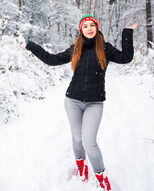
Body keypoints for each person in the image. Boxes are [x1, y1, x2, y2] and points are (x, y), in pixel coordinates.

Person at [21, 14, 138, 191]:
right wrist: (32, 46)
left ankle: (101, 176)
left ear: (96, 28)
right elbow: (52, 60)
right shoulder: (76, 48)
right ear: (81, 30)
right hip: (72, 100)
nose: (89, 28)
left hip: (95, 103)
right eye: (85, 26)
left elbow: (126, 58)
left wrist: (127, 33)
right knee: (77, 139)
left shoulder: (105, 49)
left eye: (92, 25)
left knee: (89, 142)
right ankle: (81, 168)